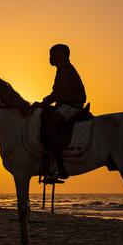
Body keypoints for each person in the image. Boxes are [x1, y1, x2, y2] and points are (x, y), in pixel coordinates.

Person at [34, 44, 86, 180]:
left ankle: (60, 167)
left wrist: (43, 102)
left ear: (60, 55)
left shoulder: (65, 68)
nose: (50, 57)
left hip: (71, 106)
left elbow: (58, 93)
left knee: (49, 126)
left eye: (52, 54)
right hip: (65, 104)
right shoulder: (63, 68)